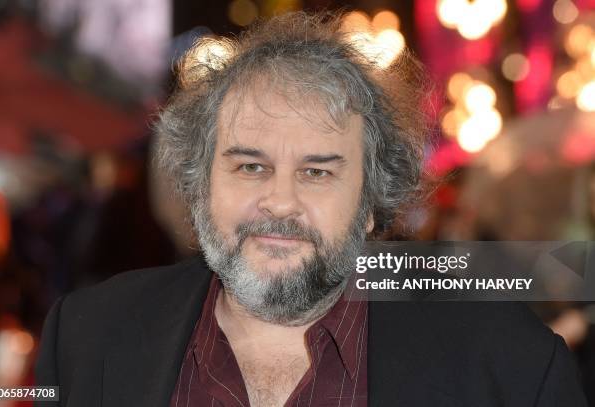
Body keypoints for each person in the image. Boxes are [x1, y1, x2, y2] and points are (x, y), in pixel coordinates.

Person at [35, 12, 588, 407]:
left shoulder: (511, 369)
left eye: (317, 172)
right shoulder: (86, 337)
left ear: (372, 200)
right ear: (200, 184)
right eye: (250, 166)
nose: (280, 200)